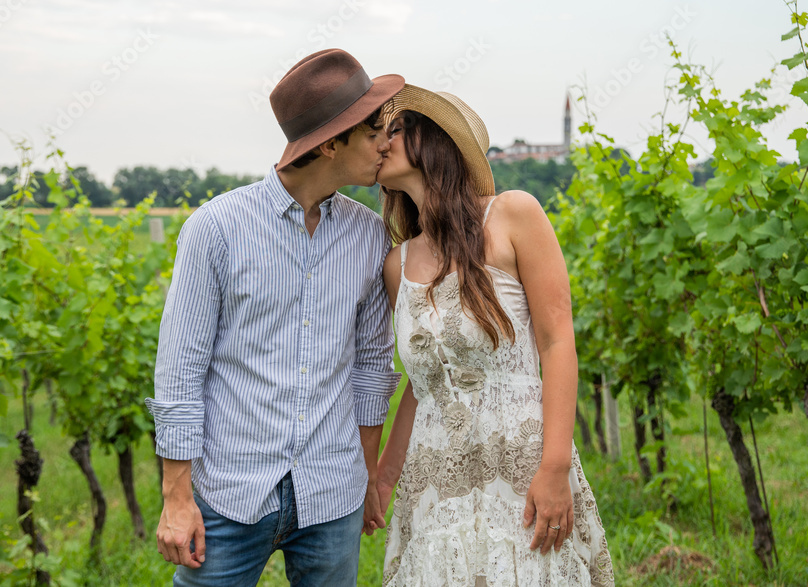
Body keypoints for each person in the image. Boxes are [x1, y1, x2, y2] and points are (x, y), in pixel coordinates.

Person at [144, 48, 405, 587]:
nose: (386, 142)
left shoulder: (371, 236)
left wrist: (366, 475)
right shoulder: (215, 229)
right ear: (332, 143)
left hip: (332, 492)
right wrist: (176, 497)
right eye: (373, 129)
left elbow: (373, 367)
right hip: (228, 493)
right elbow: (180, 370)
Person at [373, 84, 614, 586]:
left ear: (434, 142)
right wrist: (384, 478)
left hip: (521, 462)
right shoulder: (396, 264)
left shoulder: (513, 215)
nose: (382, 142)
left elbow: (557, 342)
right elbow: (423, 389)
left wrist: (554, 467)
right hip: (436, 478)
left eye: (397, 130)